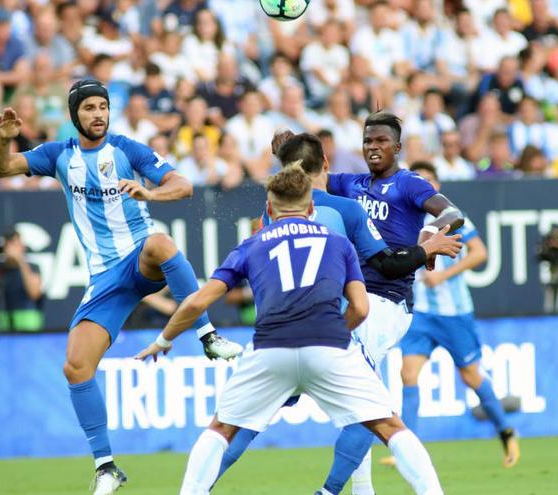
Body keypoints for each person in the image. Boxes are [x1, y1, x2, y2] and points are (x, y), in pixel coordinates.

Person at [0, 79, 242, 495]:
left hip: (140, 254)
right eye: (88, 107)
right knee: (75, 366)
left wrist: (149, 192)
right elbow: (1, 169)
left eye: (102, 106)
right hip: (105, 278)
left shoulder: (128, 149)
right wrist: (1, 141)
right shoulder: (58, 155)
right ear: (76, 116)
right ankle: (106, 466)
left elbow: (183, 185)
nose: (98, 114)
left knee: (161, 242)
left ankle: (208, 335)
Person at [135, 166, 446, 495]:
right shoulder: (339, 243)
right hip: (329, 345)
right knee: (389, 425)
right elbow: (361, 307)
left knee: (221, 428)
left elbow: (198, 302)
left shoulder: (252, 244)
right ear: (312, 208)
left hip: (271, 348)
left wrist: (163, 339)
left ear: (269, 209)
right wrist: (337, 334)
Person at [211, 132, 463, 492]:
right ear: (325, 164)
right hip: (334, 329)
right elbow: (387, 269)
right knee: (376, 416)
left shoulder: (265, 220)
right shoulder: (343, 209)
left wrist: (174, 333)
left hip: (277, 333)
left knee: (237, 424)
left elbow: (223, 287)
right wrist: (426, 247)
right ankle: (331, 491)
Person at [320, 111, 466, 495]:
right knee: (361, 402)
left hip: (385, 302)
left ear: (397, 148)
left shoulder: (409, 184)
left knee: (362, 402)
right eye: (368, 141)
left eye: (381, 141)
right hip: (354, 301)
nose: (373, 147)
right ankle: (362, 490)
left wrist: (428, 236)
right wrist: (288, 150)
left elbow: (454, 214)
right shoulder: (350, 184)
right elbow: (310, 180)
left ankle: (331, 491)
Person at [392, 161, 520, 469]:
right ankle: (410, 448)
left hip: (453, 312)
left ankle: (506, 431)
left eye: (429, 182)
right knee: (407, 374)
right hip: (420, 312)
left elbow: (479, 252)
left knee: (471, 375)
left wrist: (444, 276)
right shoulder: (406, 219)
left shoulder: (452, 216)